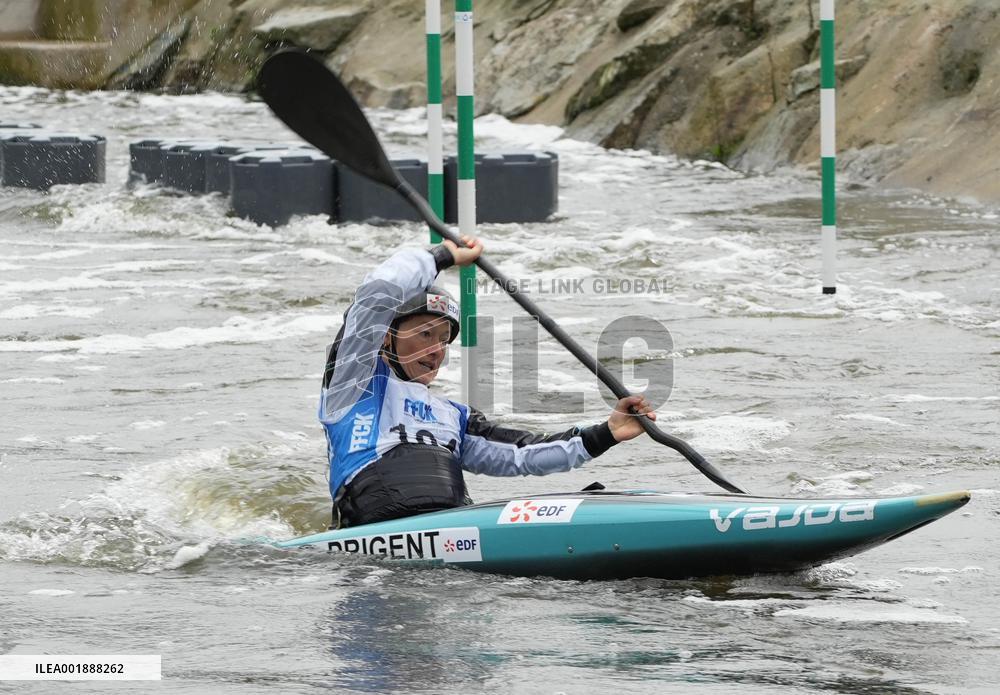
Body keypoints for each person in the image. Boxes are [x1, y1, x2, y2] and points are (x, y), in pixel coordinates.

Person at [319, 235, 655, 528]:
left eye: (443, 340)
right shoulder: (353, 384)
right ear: (387, 339)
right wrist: (440, 257)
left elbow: (521, 454)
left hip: (453, 534)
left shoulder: (454, 416)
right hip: (371, 542)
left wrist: (605, 434)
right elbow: (377, 295)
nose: (436, 351)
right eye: (424, 334)